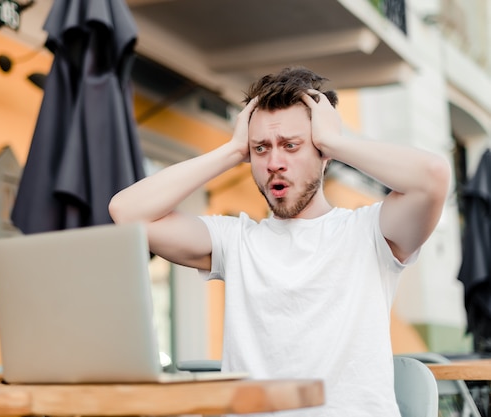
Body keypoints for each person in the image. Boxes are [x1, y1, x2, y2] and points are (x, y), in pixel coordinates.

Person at [109, 67, 450, 416]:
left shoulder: (371, 232)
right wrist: (231, 151)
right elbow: (126, 211)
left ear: (323, 150)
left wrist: (337, 141)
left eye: (291, 145)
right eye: (261, 149)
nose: (274, 163)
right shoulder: (235, 240)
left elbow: (433, 178)